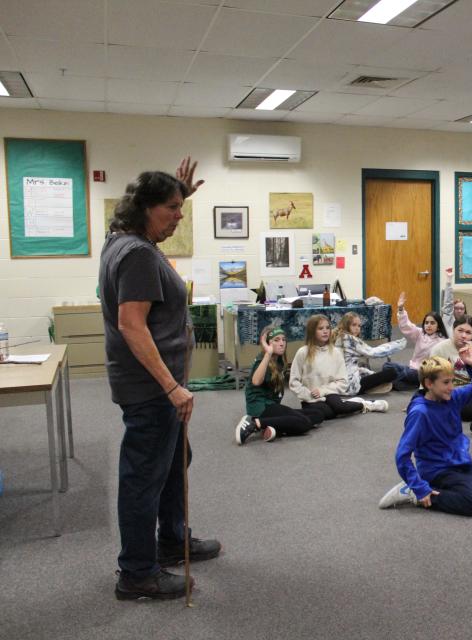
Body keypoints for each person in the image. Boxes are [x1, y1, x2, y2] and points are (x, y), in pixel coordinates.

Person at [99, 158, 220, 600]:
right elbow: (132, 324)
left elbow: (148, 209)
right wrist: (171, 386)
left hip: (158, 388)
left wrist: (180, 192)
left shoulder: (121, 239)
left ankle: (171, 540)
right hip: (153, 389)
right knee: (143, 476)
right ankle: (136, 572)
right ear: (146, 208)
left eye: (180, 206)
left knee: (172, 464)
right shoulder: (137, 255)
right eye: (172, 208)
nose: (179, 216)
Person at [378, 354, 472, 516]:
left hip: (461, 464)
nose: (451, 387)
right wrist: (419, 487)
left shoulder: (452, 397)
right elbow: (402, 455)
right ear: (429, 383)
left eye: (452, 381)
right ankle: (414, 493)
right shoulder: (420, 413)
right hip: (438, 470)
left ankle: (454, 489)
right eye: (446, 382)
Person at [288, 314, 385, 421]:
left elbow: (343, 382)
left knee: (339, 408)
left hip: (329, 392)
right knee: (327, 414)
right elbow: (294, 381)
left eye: (327, 328)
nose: (325, 331)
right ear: (312, 331)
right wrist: (307, 394)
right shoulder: (303, 352)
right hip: (310, 397)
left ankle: (366, 405)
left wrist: (322, 391)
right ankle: (351, 402)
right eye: (320, 328)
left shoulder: (335, 352)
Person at [235, 327, 321, 445]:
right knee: (304, 423)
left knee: (317, 414)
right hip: (261, 407)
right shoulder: (262, 360)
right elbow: (256, 381)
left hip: (272, 405)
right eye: (276, 340)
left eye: (283, 340)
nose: (282, 343)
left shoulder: (279, 360)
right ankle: (255, 423)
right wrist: (268, 354)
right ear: (267, 344)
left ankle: (274, 427)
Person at [386, 291, 449, 390]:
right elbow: (406, 326)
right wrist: (401, 309)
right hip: (412, 368)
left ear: (438, 326)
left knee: (406, 374)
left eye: (432, 323)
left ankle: (398, 383)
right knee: (388, 366)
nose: (429, 325)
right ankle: (404, 384)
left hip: (424, 373)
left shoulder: (442, 341)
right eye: (426, 323)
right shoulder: (420, 333)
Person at [334, 312, 405, 395]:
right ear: (346, 325)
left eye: (359, 326)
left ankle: (394, 384)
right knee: (392, 372)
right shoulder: (350, 339)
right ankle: (397, 384)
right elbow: (373, 353)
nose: (357, 328)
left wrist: (370, 373)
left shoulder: (339, 337)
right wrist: (397, 345)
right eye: (354, 325)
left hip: (341, 383)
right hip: (351, 387)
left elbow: (350, 367)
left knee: (366, 368)